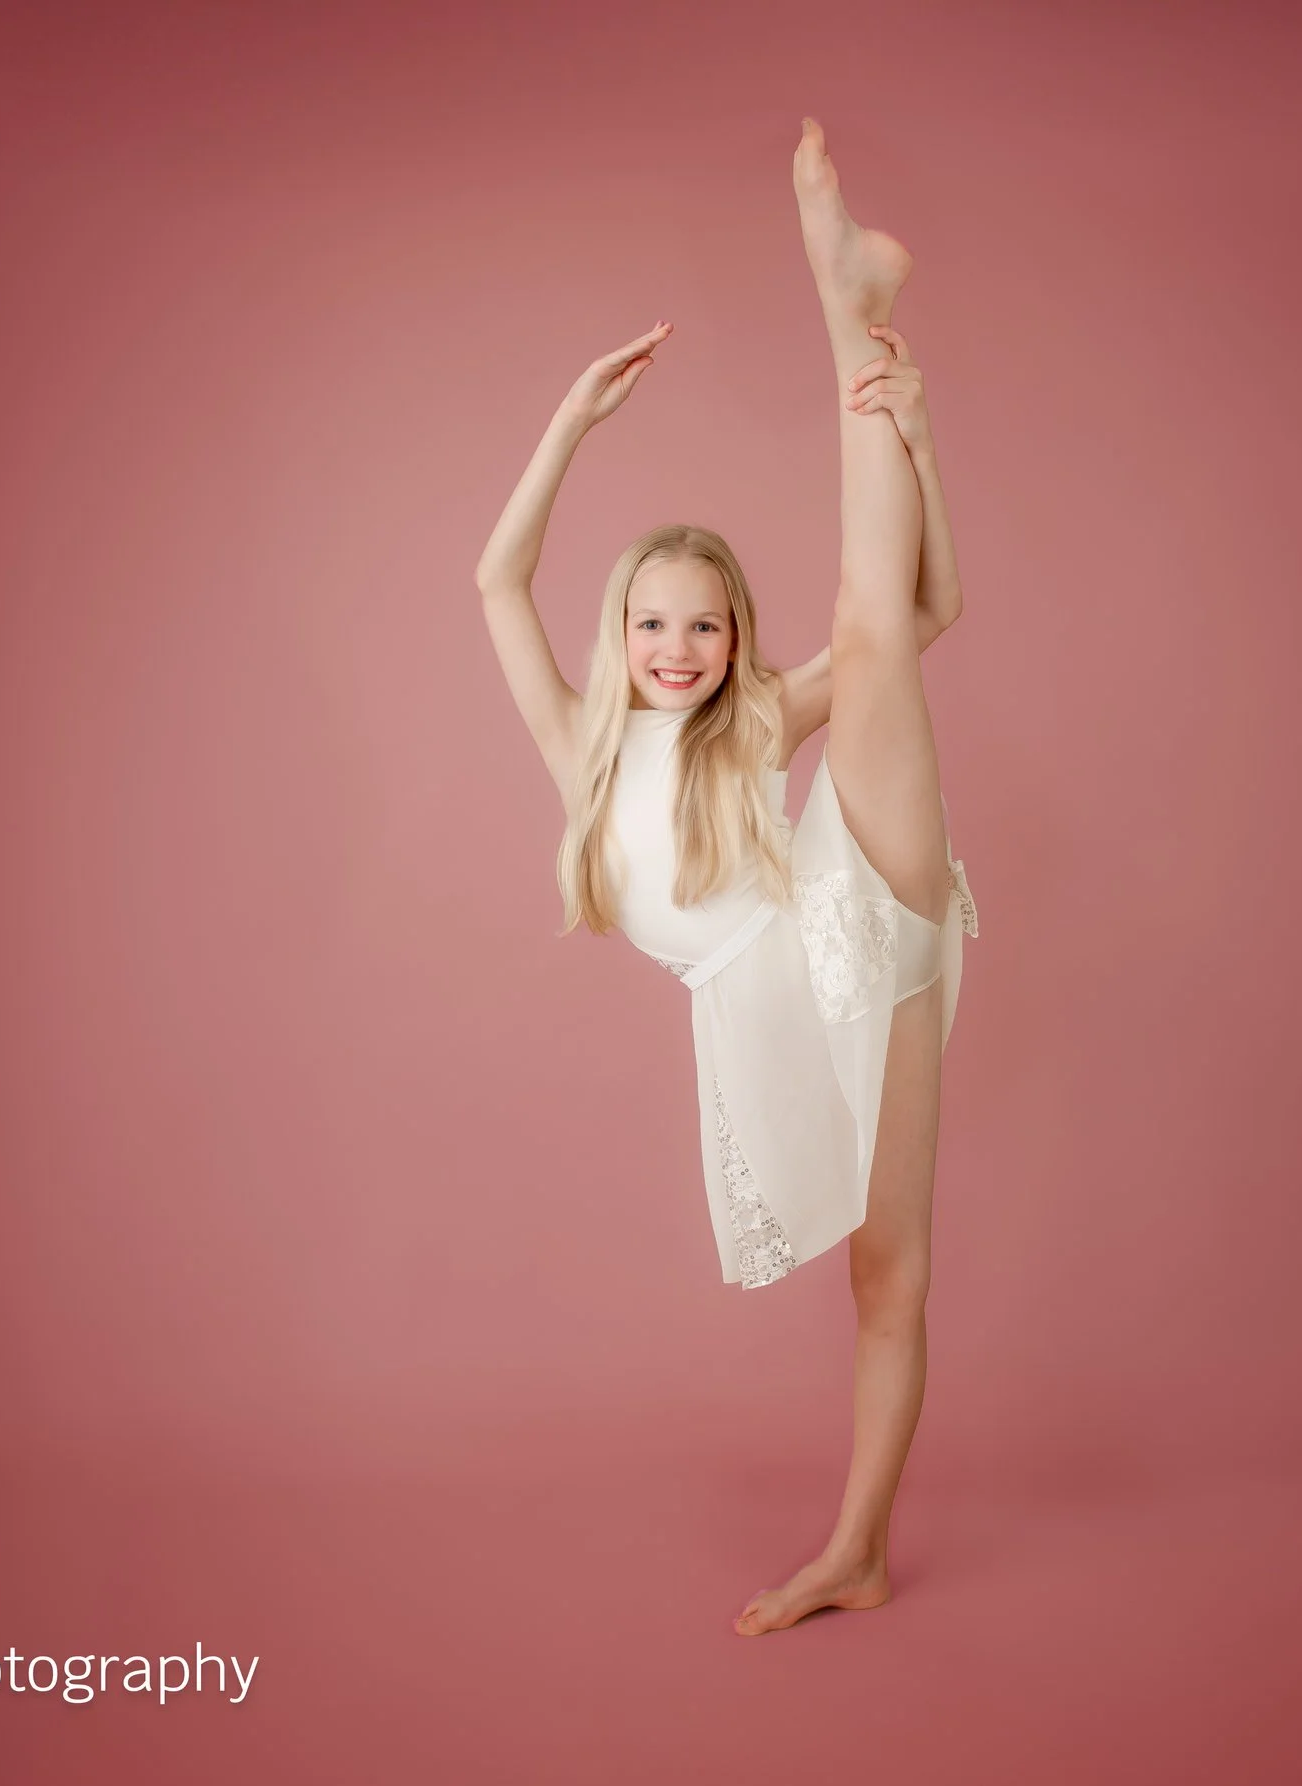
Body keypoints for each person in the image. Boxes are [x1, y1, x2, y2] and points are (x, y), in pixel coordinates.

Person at [473, 118, 979, 1637]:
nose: (680, 650)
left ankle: (853, 325)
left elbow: (929, 611)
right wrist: (570, 425)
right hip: (773, 1017)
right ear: (619, 638)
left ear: (730, 641)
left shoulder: (760, 718)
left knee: (875, 633)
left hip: (850, 913)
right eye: (652, 626)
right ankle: (861, 1550)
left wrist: (924, 444)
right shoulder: (581, 751)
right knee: (883, 1279)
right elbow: (496, 582)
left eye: (705, 626)